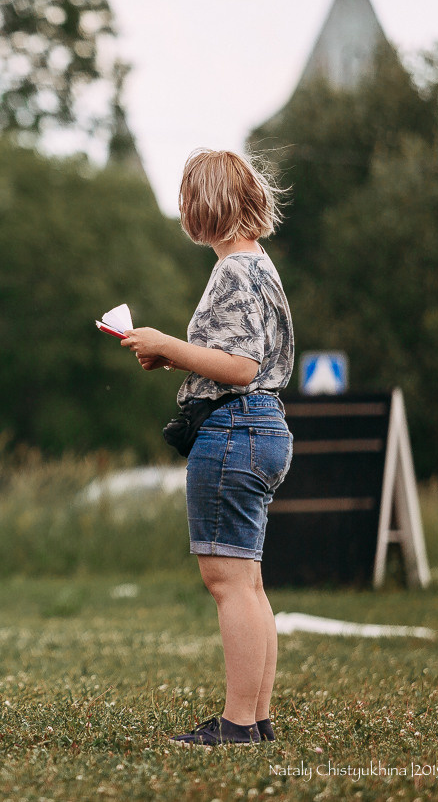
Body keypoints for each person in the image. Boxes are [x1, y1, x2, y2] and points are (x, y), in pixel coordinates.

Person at [121, 148, 294, 747]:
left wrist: (166, 344)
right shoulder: (261, 265)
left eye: (187, 196)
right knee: (248, 582)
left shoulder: (234, 271)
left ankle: (239, 724)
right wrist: (171, 355)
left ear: (205, 203)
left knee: (228, 583)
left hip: (235, 428)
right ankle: (257, 717)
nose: (182, 207)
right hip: (263, 426)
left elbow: (241, 367)